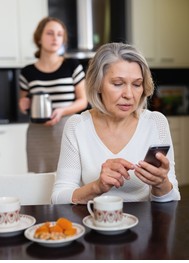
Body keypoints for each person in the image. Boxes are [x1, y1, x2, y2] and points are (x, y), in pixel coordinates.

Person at [51, 42, 180, 204]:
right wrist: (97, 187)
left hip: (144, 225)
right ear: (98, 84)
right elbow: (58, 198)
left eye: (137, 84)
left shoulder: (155, 123)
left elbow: (173, 198)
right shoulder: (77, 126)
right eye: (118, 84)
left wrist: (161, 184)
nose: (129, 94)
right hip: (93, 221)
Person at [19, 17, 88, 173]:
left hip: (66, 130)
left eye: (59, 34)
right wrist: (23, 104)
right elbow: (24, 104)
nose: (55, 38)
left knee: (67, 175)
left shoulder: (72, 65)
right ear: (39, 38)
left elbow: (83, 100)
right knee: (38, 179)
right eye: (50, 33)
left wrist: (62, 111)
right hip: (37, 133)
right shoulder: (27, 71)